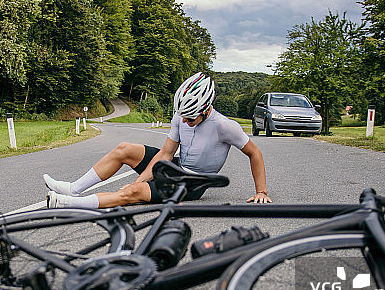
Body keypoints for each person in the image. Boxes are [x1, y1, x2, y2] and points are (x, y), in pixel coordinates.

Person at [45, 72, 272, 209]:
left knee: (132, 194)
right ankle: (73, 189)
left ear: (206, 109)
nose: (185, 121)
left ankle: (69, 204)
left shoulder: (224, 126)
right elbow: (166, 154)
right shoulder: (181, 116)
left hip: (192, 183)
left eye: (191, 118)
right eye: (182, 117)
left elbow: (255, 153)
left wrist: (261, 191)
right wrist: (140, 180)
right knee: (124, 149)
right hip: (176, 165)